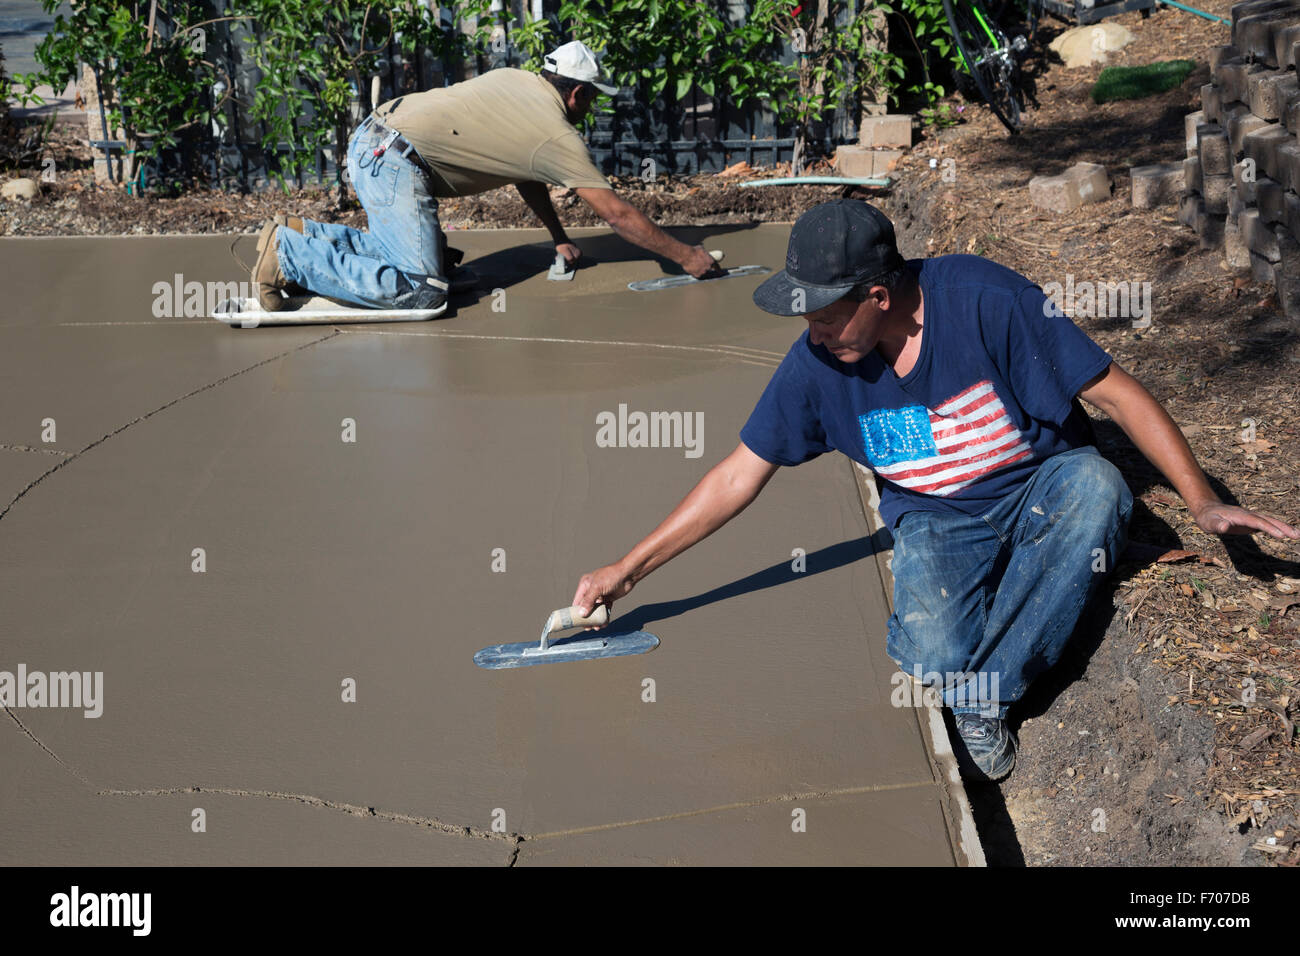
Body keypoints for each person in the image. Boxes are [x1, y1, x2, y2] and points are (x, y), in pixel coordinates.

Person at [569, 199, 1298, 782]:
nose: (814, 334)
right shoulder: (818, 365)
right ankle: (981, 638)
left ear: (878, 296)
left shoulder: (987, 301)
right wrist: (626, 571)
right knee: (929, 657)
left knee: (1098, 487)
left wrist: (1200, 500)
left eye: (825, 315)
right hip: (937, 517)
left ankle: (991, 693)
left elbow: (1117, 394)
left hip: (1042, 482)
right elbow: (737, 474)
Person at [249, 40, 721, 314]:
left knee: (420, 264)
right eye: (593, 98)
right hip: (394, 159)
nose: (592, 107)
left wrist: (559, 237)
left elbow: (525, 171)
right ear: (577, 93)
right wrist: (685, 256)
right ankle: (290, 256)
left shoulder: (516, 80)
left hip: (376, 140)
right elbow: (617, 214)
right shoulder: (554, 132)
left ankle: (302, 233)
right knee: (423, 289)